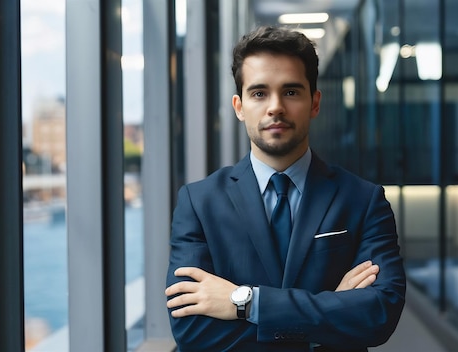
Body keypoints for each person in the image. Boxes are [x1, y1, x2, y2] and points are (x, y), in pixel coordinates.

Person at [165, 25, 406, 352]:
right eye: (259, 93)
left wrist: (246, 303)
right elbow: (192, 330)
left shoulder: (364, 200)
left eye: (291, 92)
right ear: (239, 106)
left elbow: (378, 315)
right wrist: (328, 315)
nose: (275, 106)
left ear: (315, 102)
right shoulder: (198, 202)